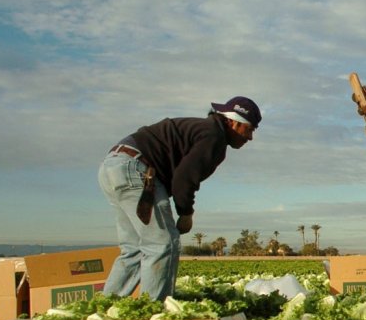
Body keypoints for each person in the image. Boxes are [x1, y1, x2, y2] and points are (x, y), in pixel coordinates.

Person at [98, 96, 261, 300]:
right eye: (251, 129)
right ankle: (155, 314)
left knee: (133, 250)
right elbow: (184, 179)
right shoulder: (214, 136)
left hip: (113, 166)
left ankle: (106, 308)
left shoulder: (202, 129)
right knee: (163, 244)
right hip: (138, 170)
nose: (250, 137)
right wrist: (186, 213)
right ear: (235, 121)